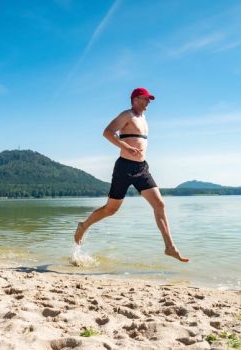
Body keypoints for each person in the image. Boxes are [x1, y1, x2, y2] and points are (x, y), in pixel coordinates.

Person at [74, 87, 189, 263]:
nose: (148, 102)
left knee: (159, 204)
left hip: (142, 168)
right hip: (124, 168)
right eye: (145, 98)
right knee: (110, 210)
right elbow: (107, 132)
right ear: (135, 99)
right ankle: (84, 225)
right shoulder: (127, 115)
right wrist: (126, 147)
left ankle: (169, 247)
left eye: (149, 99)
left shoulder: (144, 118)